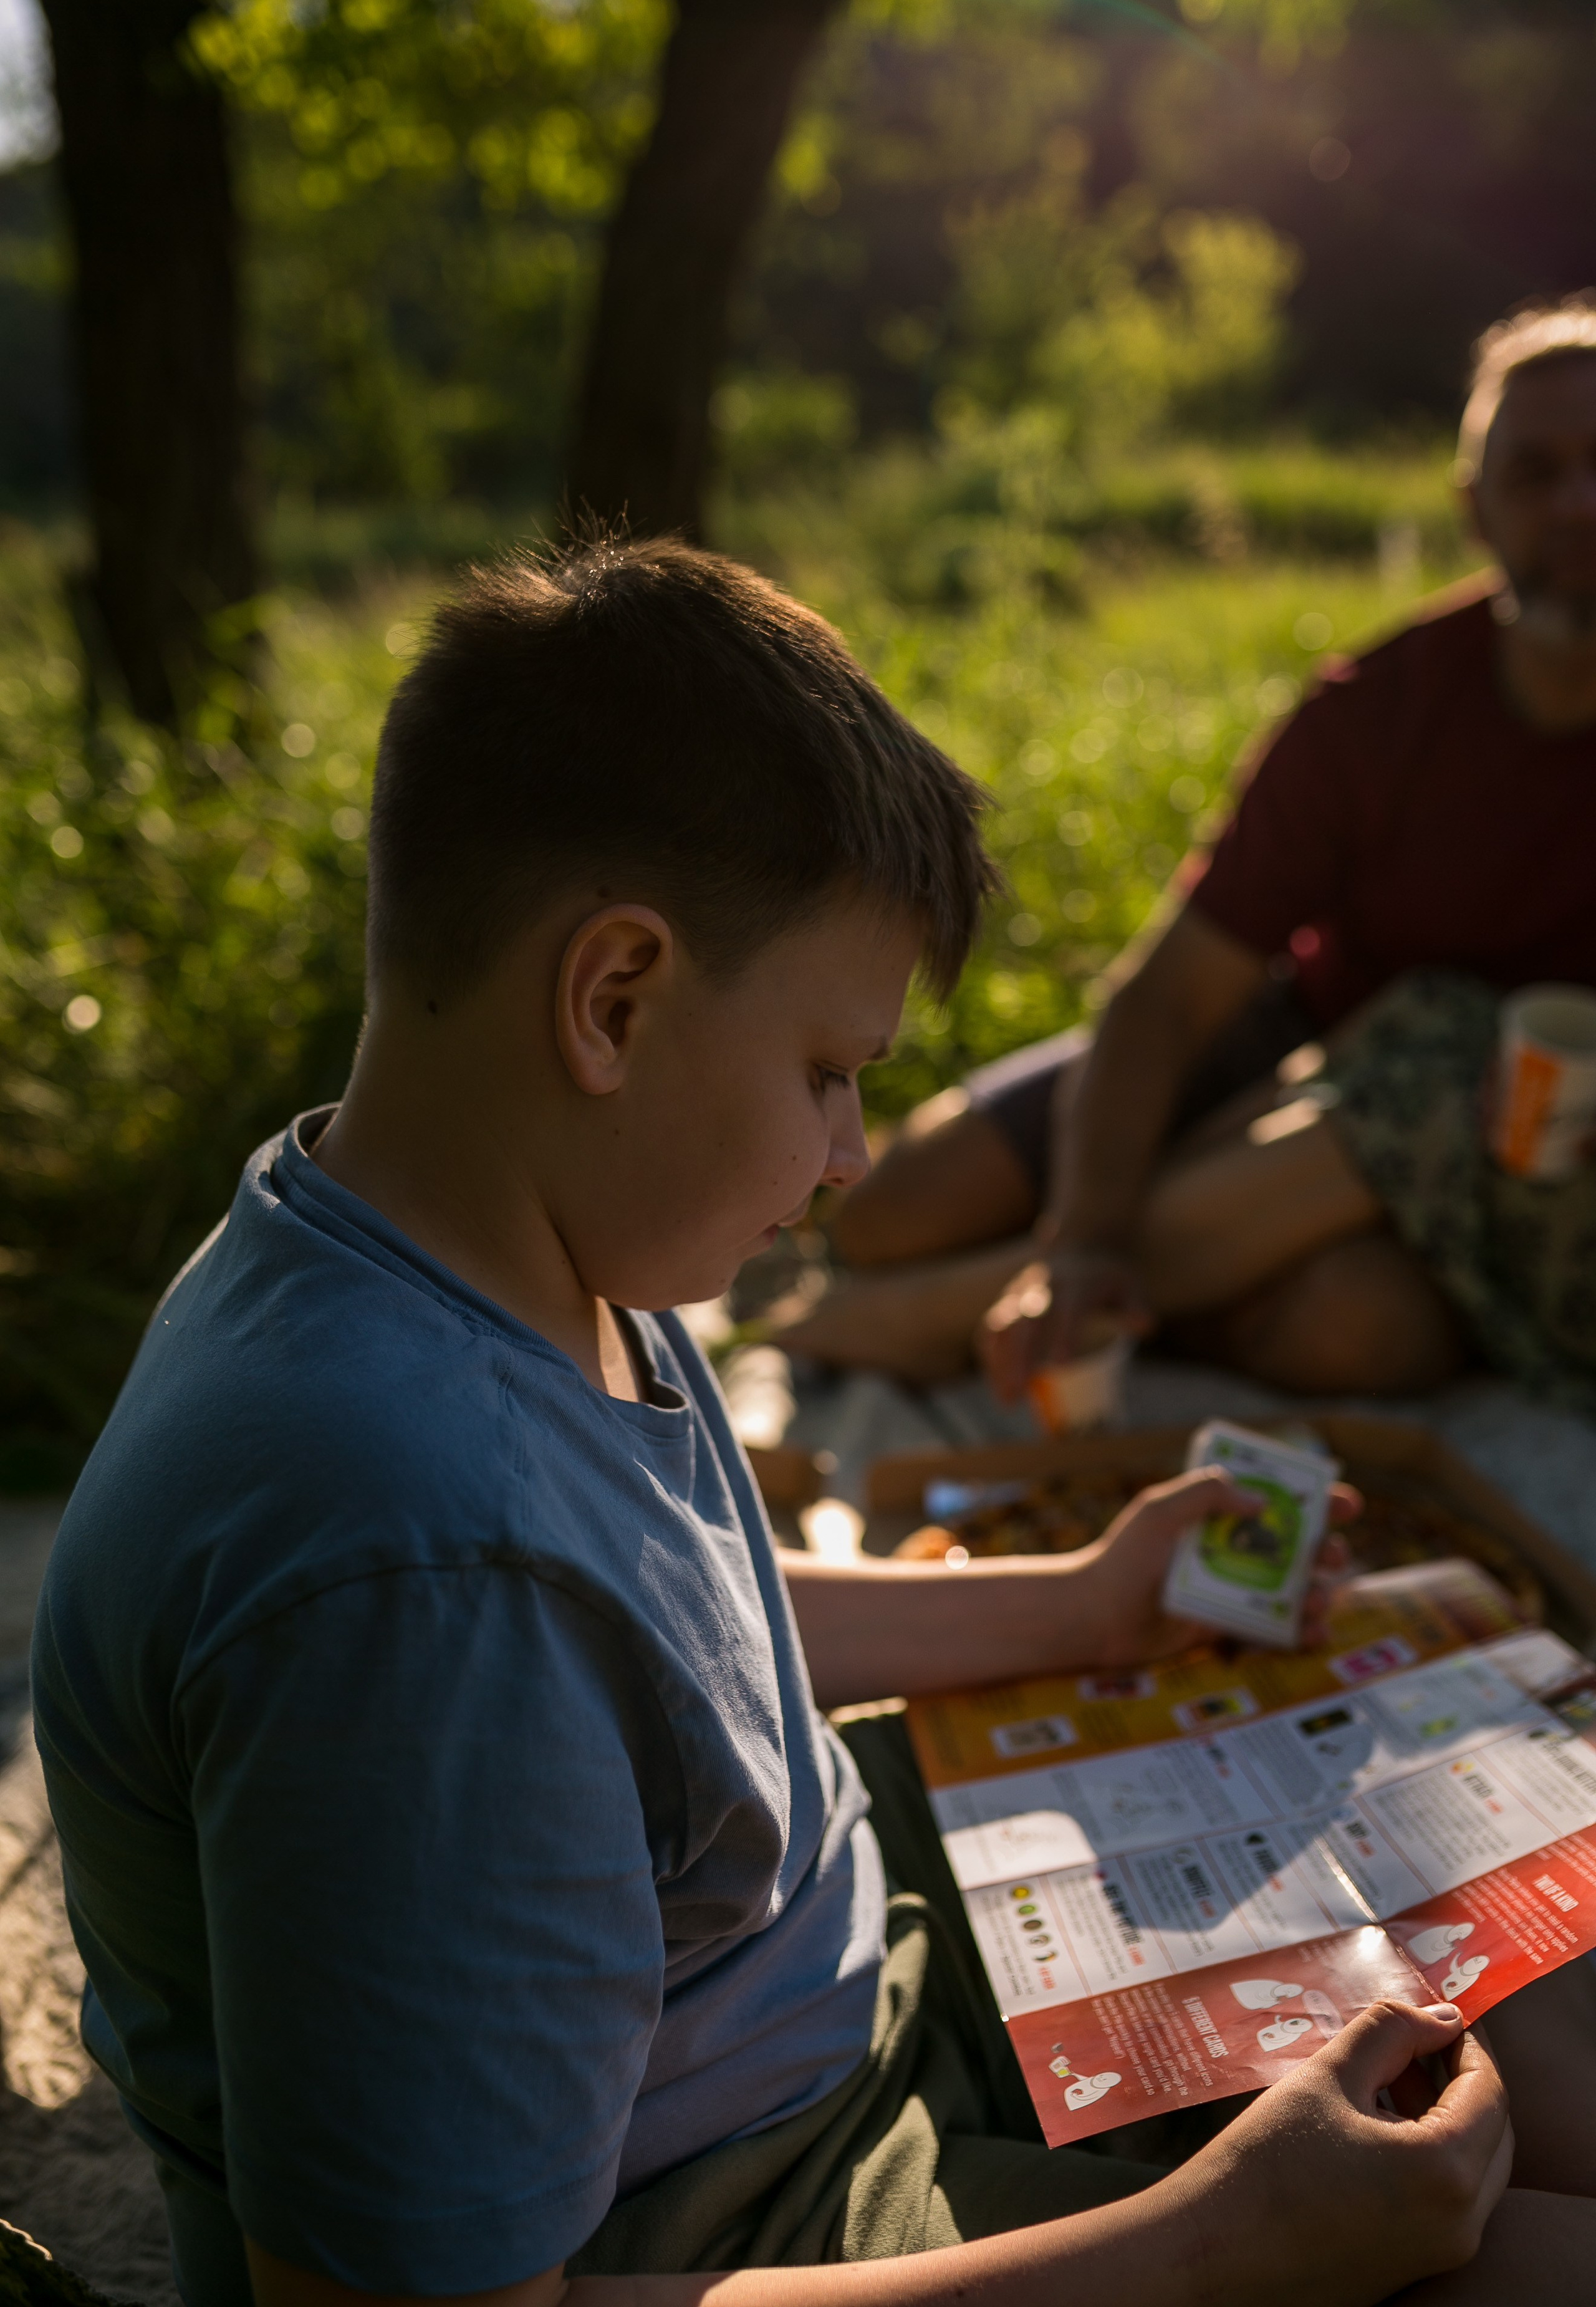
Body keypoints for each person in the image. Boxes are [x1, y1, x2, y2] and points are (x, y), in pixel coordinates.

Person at [27, 540, 1596, 2307]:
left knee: (1531, 2025)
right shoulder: (418, 1576)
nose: (853, 1154)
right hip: (753, 2202)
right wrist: (1224, 2244)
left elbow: (667, 1631)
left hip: (849, 1987)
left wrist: (1086, 1601)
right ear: (613, 999)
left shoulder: (470, 1235)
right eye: (829, 1075)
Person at [797, 299, 1596, 1409]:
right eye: (1537, 473)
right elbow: (1170, 997)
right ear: (1473, 507)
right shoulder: (1381, 712)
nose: (1579, 505)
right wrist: (1085, 1236)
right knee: (889, 1213)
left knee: (1357, 1330)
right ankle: (1122, 1273)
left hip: (1527, 1158)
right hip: (1306, 1044)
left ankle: (952, 1312)